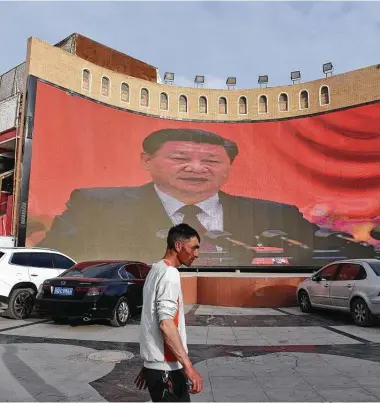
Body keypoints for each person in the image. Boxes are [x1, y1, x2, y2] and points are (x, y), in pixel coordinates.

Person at [37, 128, 375, 265]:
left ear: (229, 167)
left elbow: (326, 247)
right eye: (181, 158)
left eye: (211, 161)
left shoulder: (277, 214)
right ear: (147, 161)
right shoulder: (95, 205)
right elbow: (55, 258)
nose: (196, 169)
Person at [135, 223, 203, 402]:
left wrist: (150, 364)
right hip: (167, 370)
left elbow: (150, 318)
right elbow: (165, 324)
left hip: (159, 368)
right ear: (178, 246)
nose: (196, 254)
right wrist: (189, 367)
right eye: (193, 248)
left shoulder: (155, 270)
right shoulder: (170, 274)